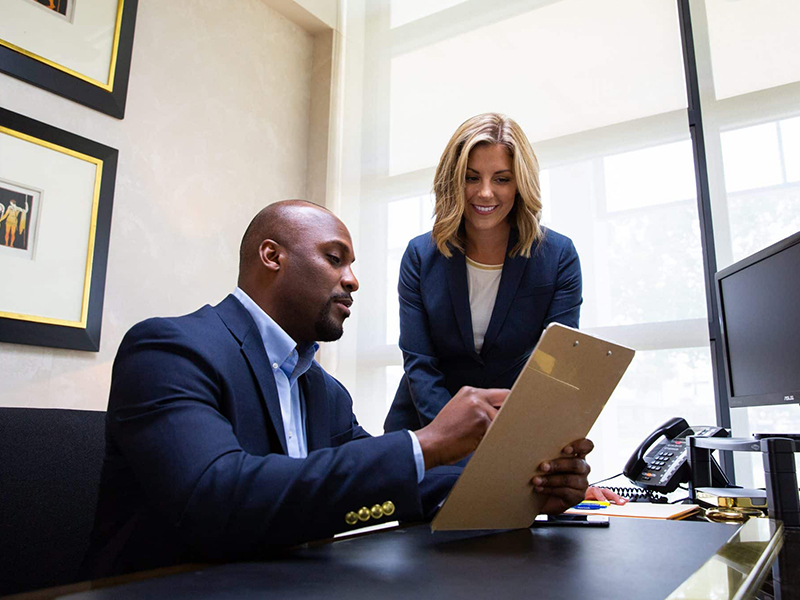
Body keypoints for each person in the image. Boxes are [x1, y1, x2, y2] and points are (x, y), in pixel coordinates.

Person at [83, 200, 597, 578]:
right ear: (271, 255)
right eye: (336, 258)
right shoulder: (169, 349)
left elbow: (398, 479)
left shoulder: (323, 391)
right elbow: (216, 498)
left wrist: (524, 487)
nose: (353, 280)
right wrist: (427, 442)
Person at [382, 114, 623, 504]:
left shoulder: (558, 256)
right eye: (472, 177)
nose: (485, 194)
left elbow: (554, 370)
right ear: (452, 181)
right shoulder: (419, 255)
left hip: (512, 443)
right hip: (427, 432)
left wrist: (526, 456)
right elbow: (420, 364)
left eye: (502, 178)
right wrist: (457, 444)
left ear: (520, 183)